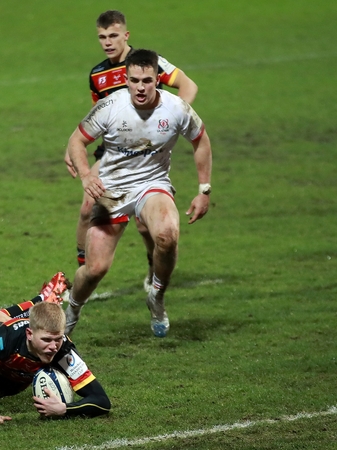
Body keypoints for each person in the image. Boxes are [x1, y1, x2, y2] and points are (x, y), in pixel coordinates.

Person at [64, 49, 212, 338]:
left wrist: (203, 190)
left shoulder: (176, 108)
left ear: (158, 79)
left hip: (152, 184)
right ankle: (72, 312)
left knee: (167, 236)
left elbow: (201, 141)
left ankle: (156, 296)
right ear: (126, 79)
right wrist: (85, 175)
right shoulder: (110, 107)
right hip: (112, 189)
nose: (140, 87)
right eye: (134, 80)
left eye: (147, 80)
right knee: (95, 270)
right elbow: (76, 140)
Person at [65, 10, 199, 292]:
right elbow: (96, 115)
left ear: (126, 35)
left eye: (113, 35)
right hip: (114, 152)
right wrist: (73, 145)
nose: (107, 42)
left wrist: (175, 120)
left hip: (147, 153)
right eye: (102, 37)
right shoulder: (98, 74)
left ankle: (154, 265)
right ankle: (82, 271)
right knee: (87, 207)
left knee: (143, 224)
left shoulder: (146, 64)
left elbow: (188, 85)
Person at [0, 302, 111, 424]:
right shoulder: (5, 339)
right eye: (46, 340)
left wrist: (64, 409)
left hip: (14, 376)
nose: (53, 347)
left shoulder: (65, 353)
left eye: (58, 339)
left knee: (2, 390)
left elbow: (102, 401)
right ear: (29, 334)